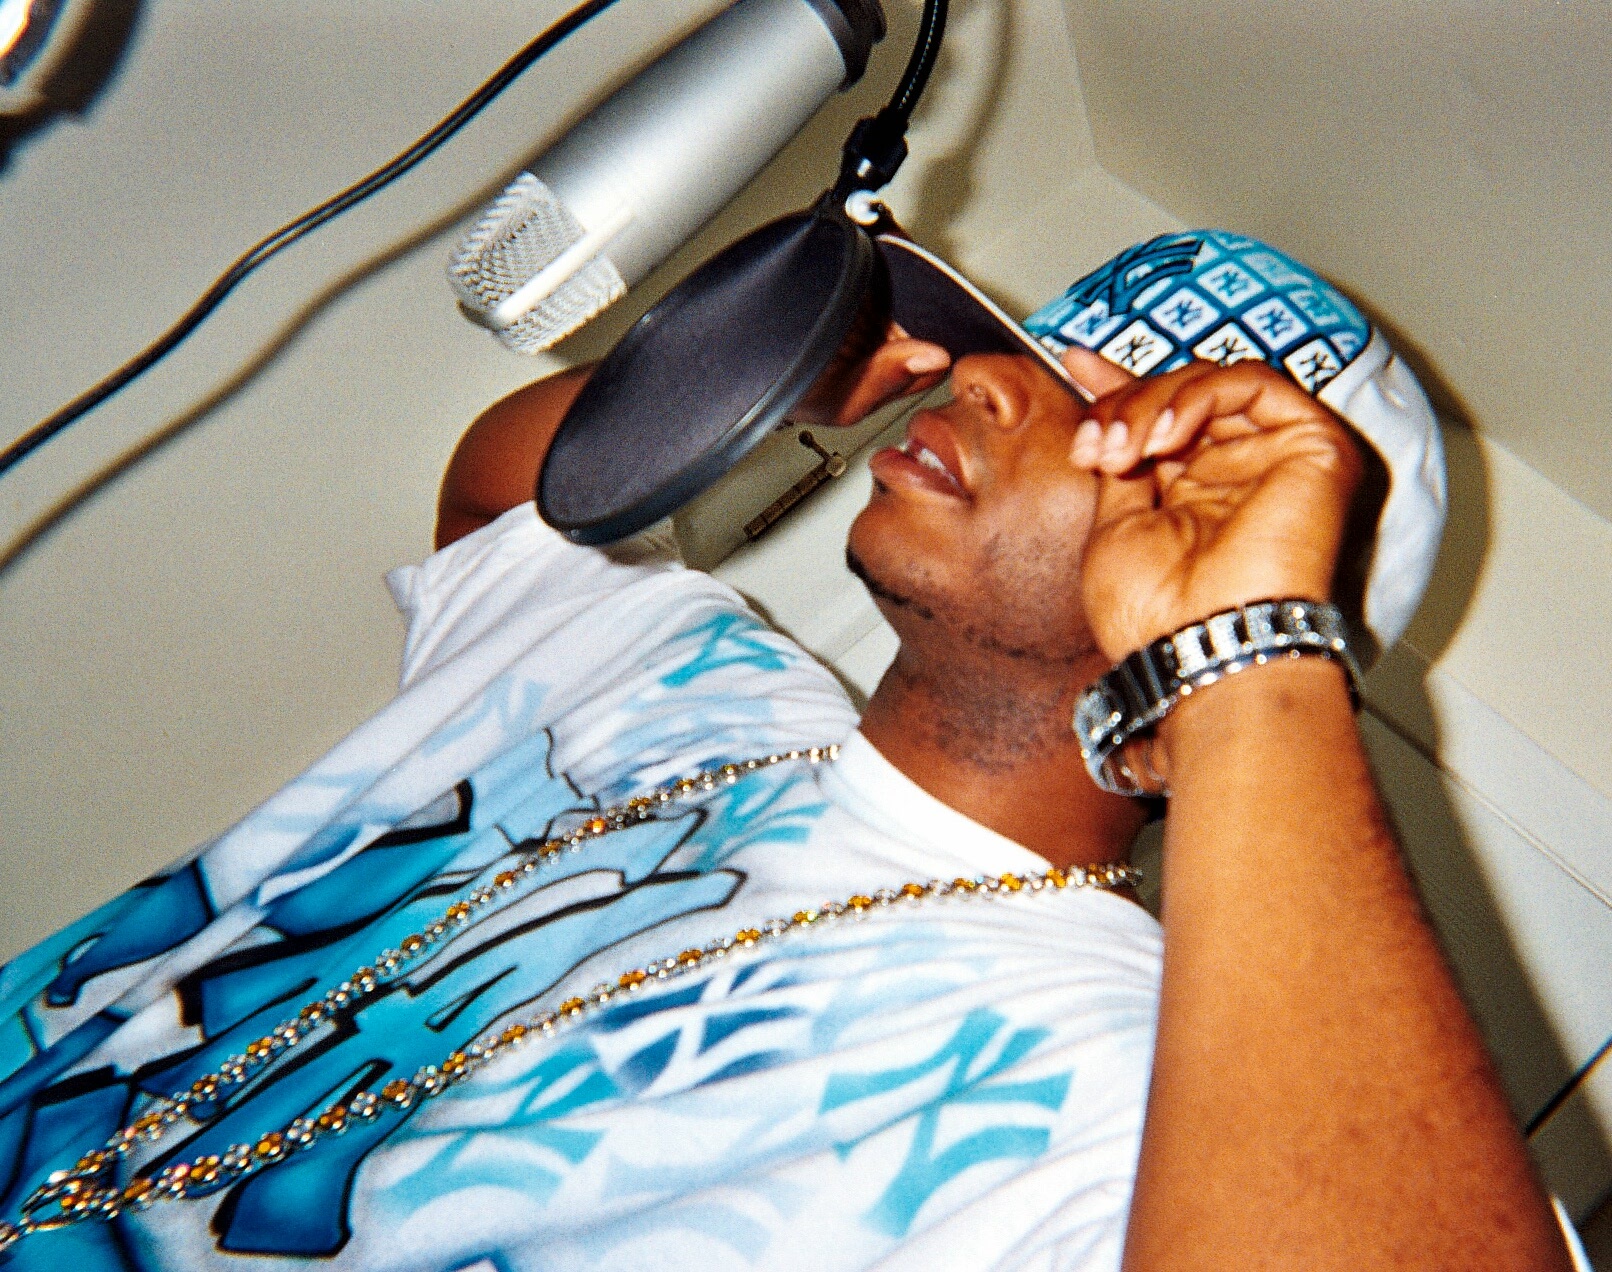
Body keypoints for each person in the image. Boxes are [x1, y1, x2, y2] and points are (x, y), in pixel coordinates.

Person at [0, 231, 1583, 1270]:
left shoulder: (1119, 1082)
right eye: (1014, 351)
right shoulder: (678, 667)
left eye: (1125, 433)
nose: (991, 381)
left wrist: (1242, 659)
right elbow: (504, 491)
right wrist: (789, 362)